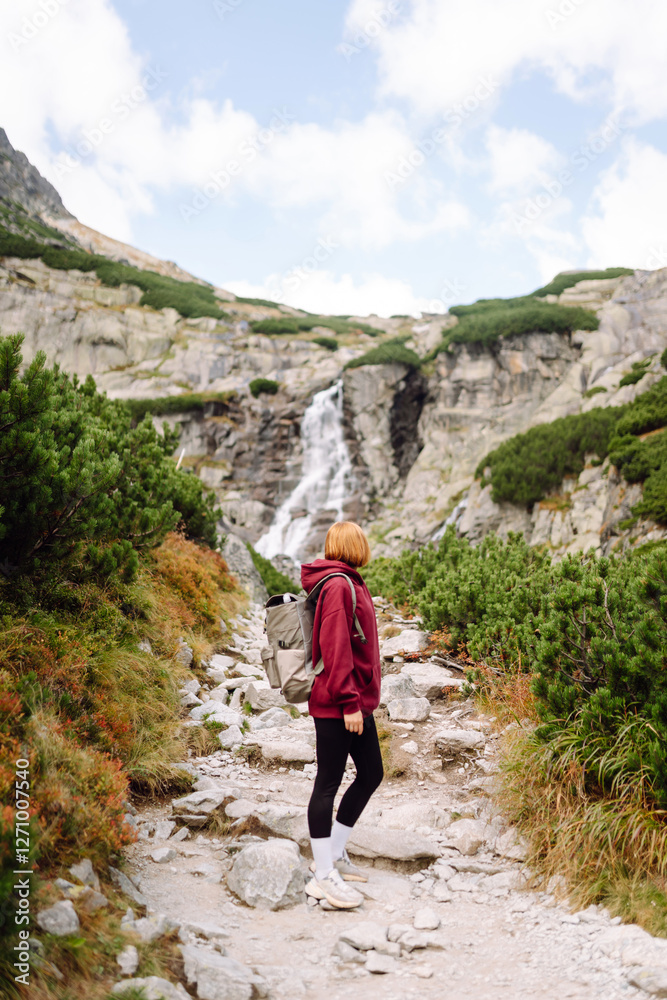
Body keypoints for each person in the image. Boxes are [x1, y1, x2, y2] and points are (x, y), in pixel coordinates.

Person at [301, 520, 383, 909]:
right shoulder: (337, 584)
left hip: (355, 701)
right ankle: (322, 875)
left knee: (371, 774)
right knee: (328, 784)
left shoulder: (351, 581)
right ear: (355, 545)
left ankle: (334, 853)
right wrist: (349, 702)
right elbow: (334, 648)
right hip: (338, 704)